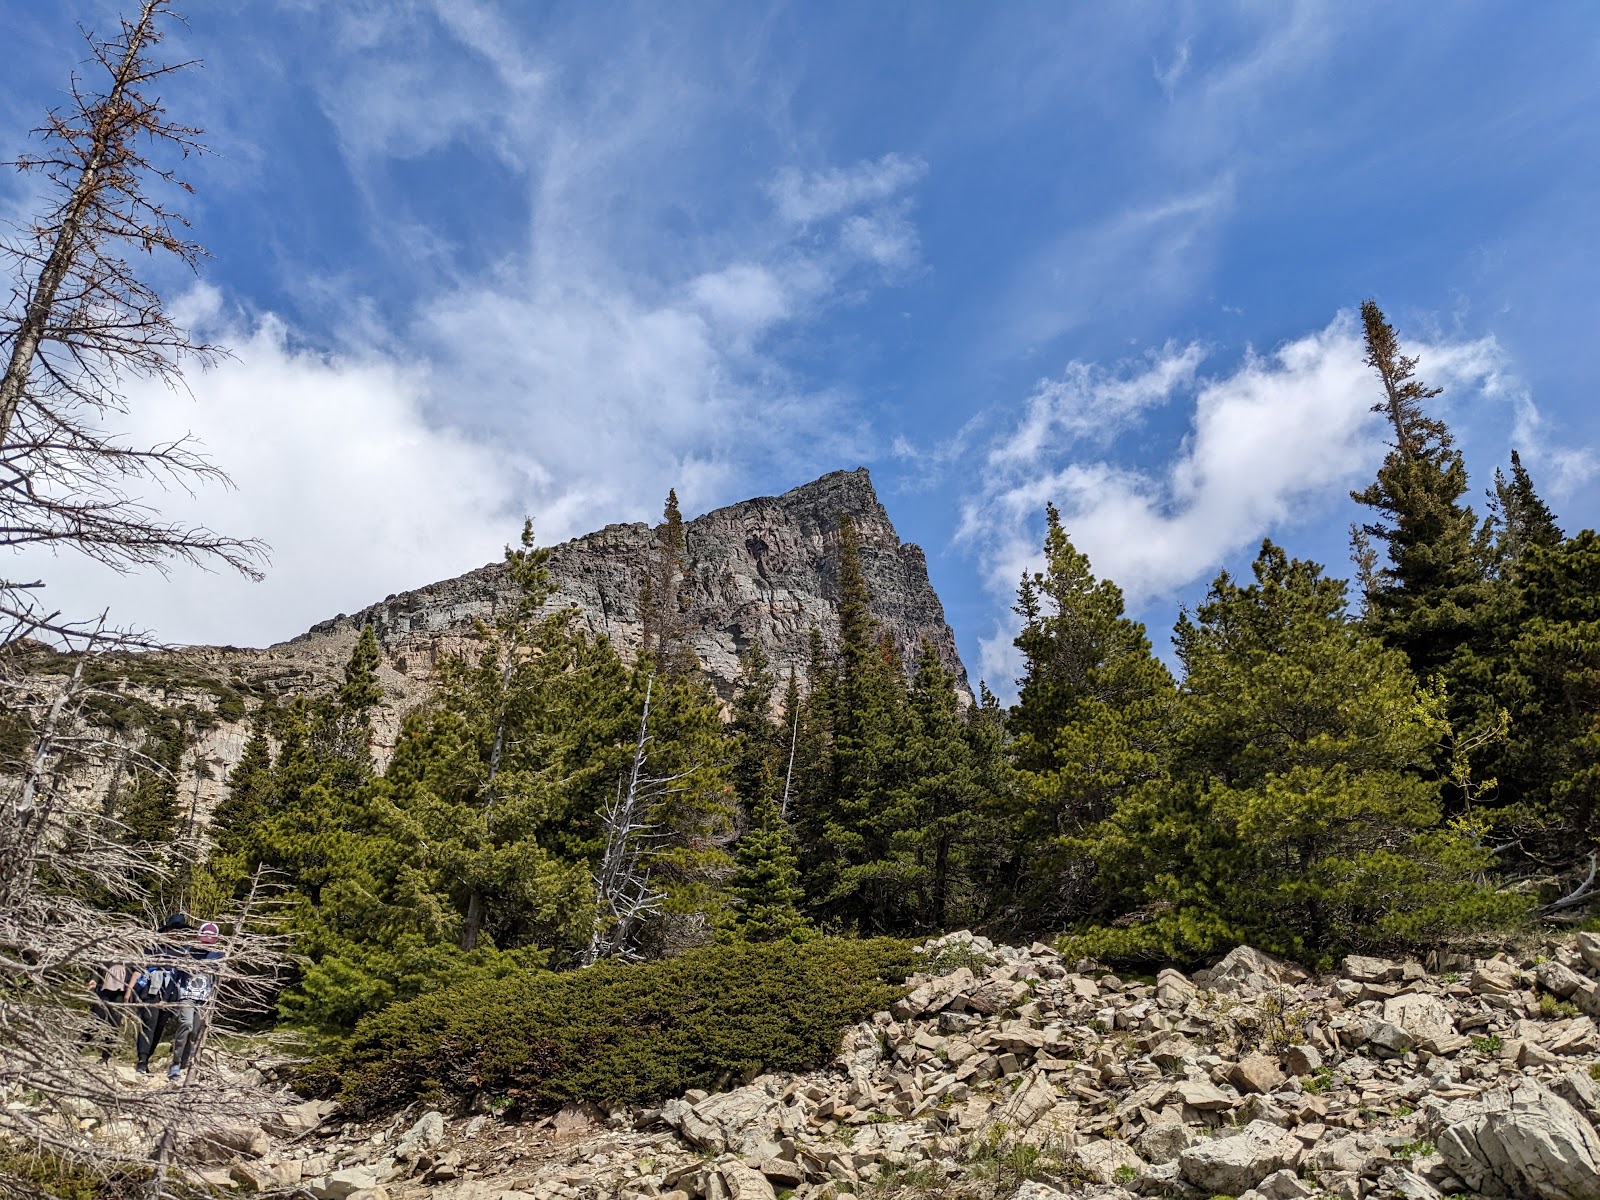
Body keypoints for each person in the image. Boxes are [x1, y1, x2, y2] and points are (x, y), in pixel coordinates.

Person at [128, 913, 187, 1075]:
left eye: (180, 930)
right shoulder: (154, 947)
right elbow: (140, 969)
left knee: (160, 1026)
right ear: (167, 930)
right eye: (174, 929)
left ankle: (147, 1058)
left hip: (171, 992)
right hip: (150, 990)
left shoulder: (184, 952)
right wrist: (130, 990)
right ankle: (142, 1060)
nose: (176, 933)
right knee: (149, 1023)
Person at [168, 921, 223, 1081]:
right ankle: (175, 1064)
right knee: (186, 1024)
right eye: (205, 934)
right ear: (199, 934)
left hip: (204, 999)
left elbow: (221, 977)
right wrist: (169, 997)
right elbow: (175, 974)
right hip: (187, 995)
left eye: (211, 935)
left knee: (195, 1033)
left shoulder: (218, 955)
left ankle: (186, 1066)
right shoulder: (187, 951)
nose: (208, 937)